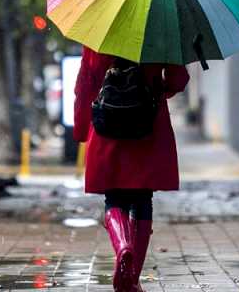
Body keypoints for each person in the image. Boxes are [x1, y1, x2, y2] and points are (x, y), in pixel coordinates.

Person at [73, 46, 190, 292]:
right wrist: (159, 89)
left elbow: (85, 82)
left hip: (107, 124)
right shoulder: (160, 30)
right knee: (142, 198)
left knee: (114, 197)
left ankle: (123, 246)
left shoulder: (99, 34)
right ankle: (132, 278)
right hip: (147, 124)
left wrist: (81, 127)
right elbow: (179, 79)